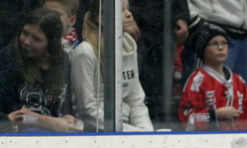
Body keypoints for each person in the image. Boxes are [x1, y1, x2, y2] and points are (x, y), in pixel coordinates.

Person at [69, 0, 153, 131]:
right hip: (95, 131)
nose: (129, 14)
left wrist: (146, 133)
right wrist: (130, 133)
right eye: (122, 10)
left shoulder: (129, 47)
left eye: (128, 9)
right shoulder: (85, 53)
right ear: (102, 19)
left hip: (128, 127)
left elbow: (136, 101)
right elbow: (87, 110)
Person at [0, 7, 79, 133]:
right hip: (21, 134)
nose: (26, 41)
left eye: (36, 39)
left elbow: (65, 104)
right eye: (25, 33)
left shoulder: (62, 60)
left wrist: (68, 116)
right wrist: (50, 122)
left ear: (50, 44)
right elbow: (16, 116)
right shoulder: (8, 58)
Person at [177, 25, 247, 130]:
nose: (221, 48)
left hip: (238, 142)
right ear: (202, 49)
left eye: (224, 43)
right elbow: (186, 118)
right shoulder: (197, 81)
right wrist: (215, 114)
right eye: (214, 44)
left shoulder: (239, 81)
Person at [129, 0, 190, 125]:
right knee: (133, 88)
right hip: (136, 24)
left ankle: (157, 128)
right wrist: (126, 15)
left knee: (161, 90)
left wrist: (180, 15)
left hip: (164, 23)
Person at [183, 0, 247, 88]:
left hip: (242, 37)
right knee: (205, 96)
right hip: (211, 32)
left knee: (241, 98)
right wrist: (194, 20)